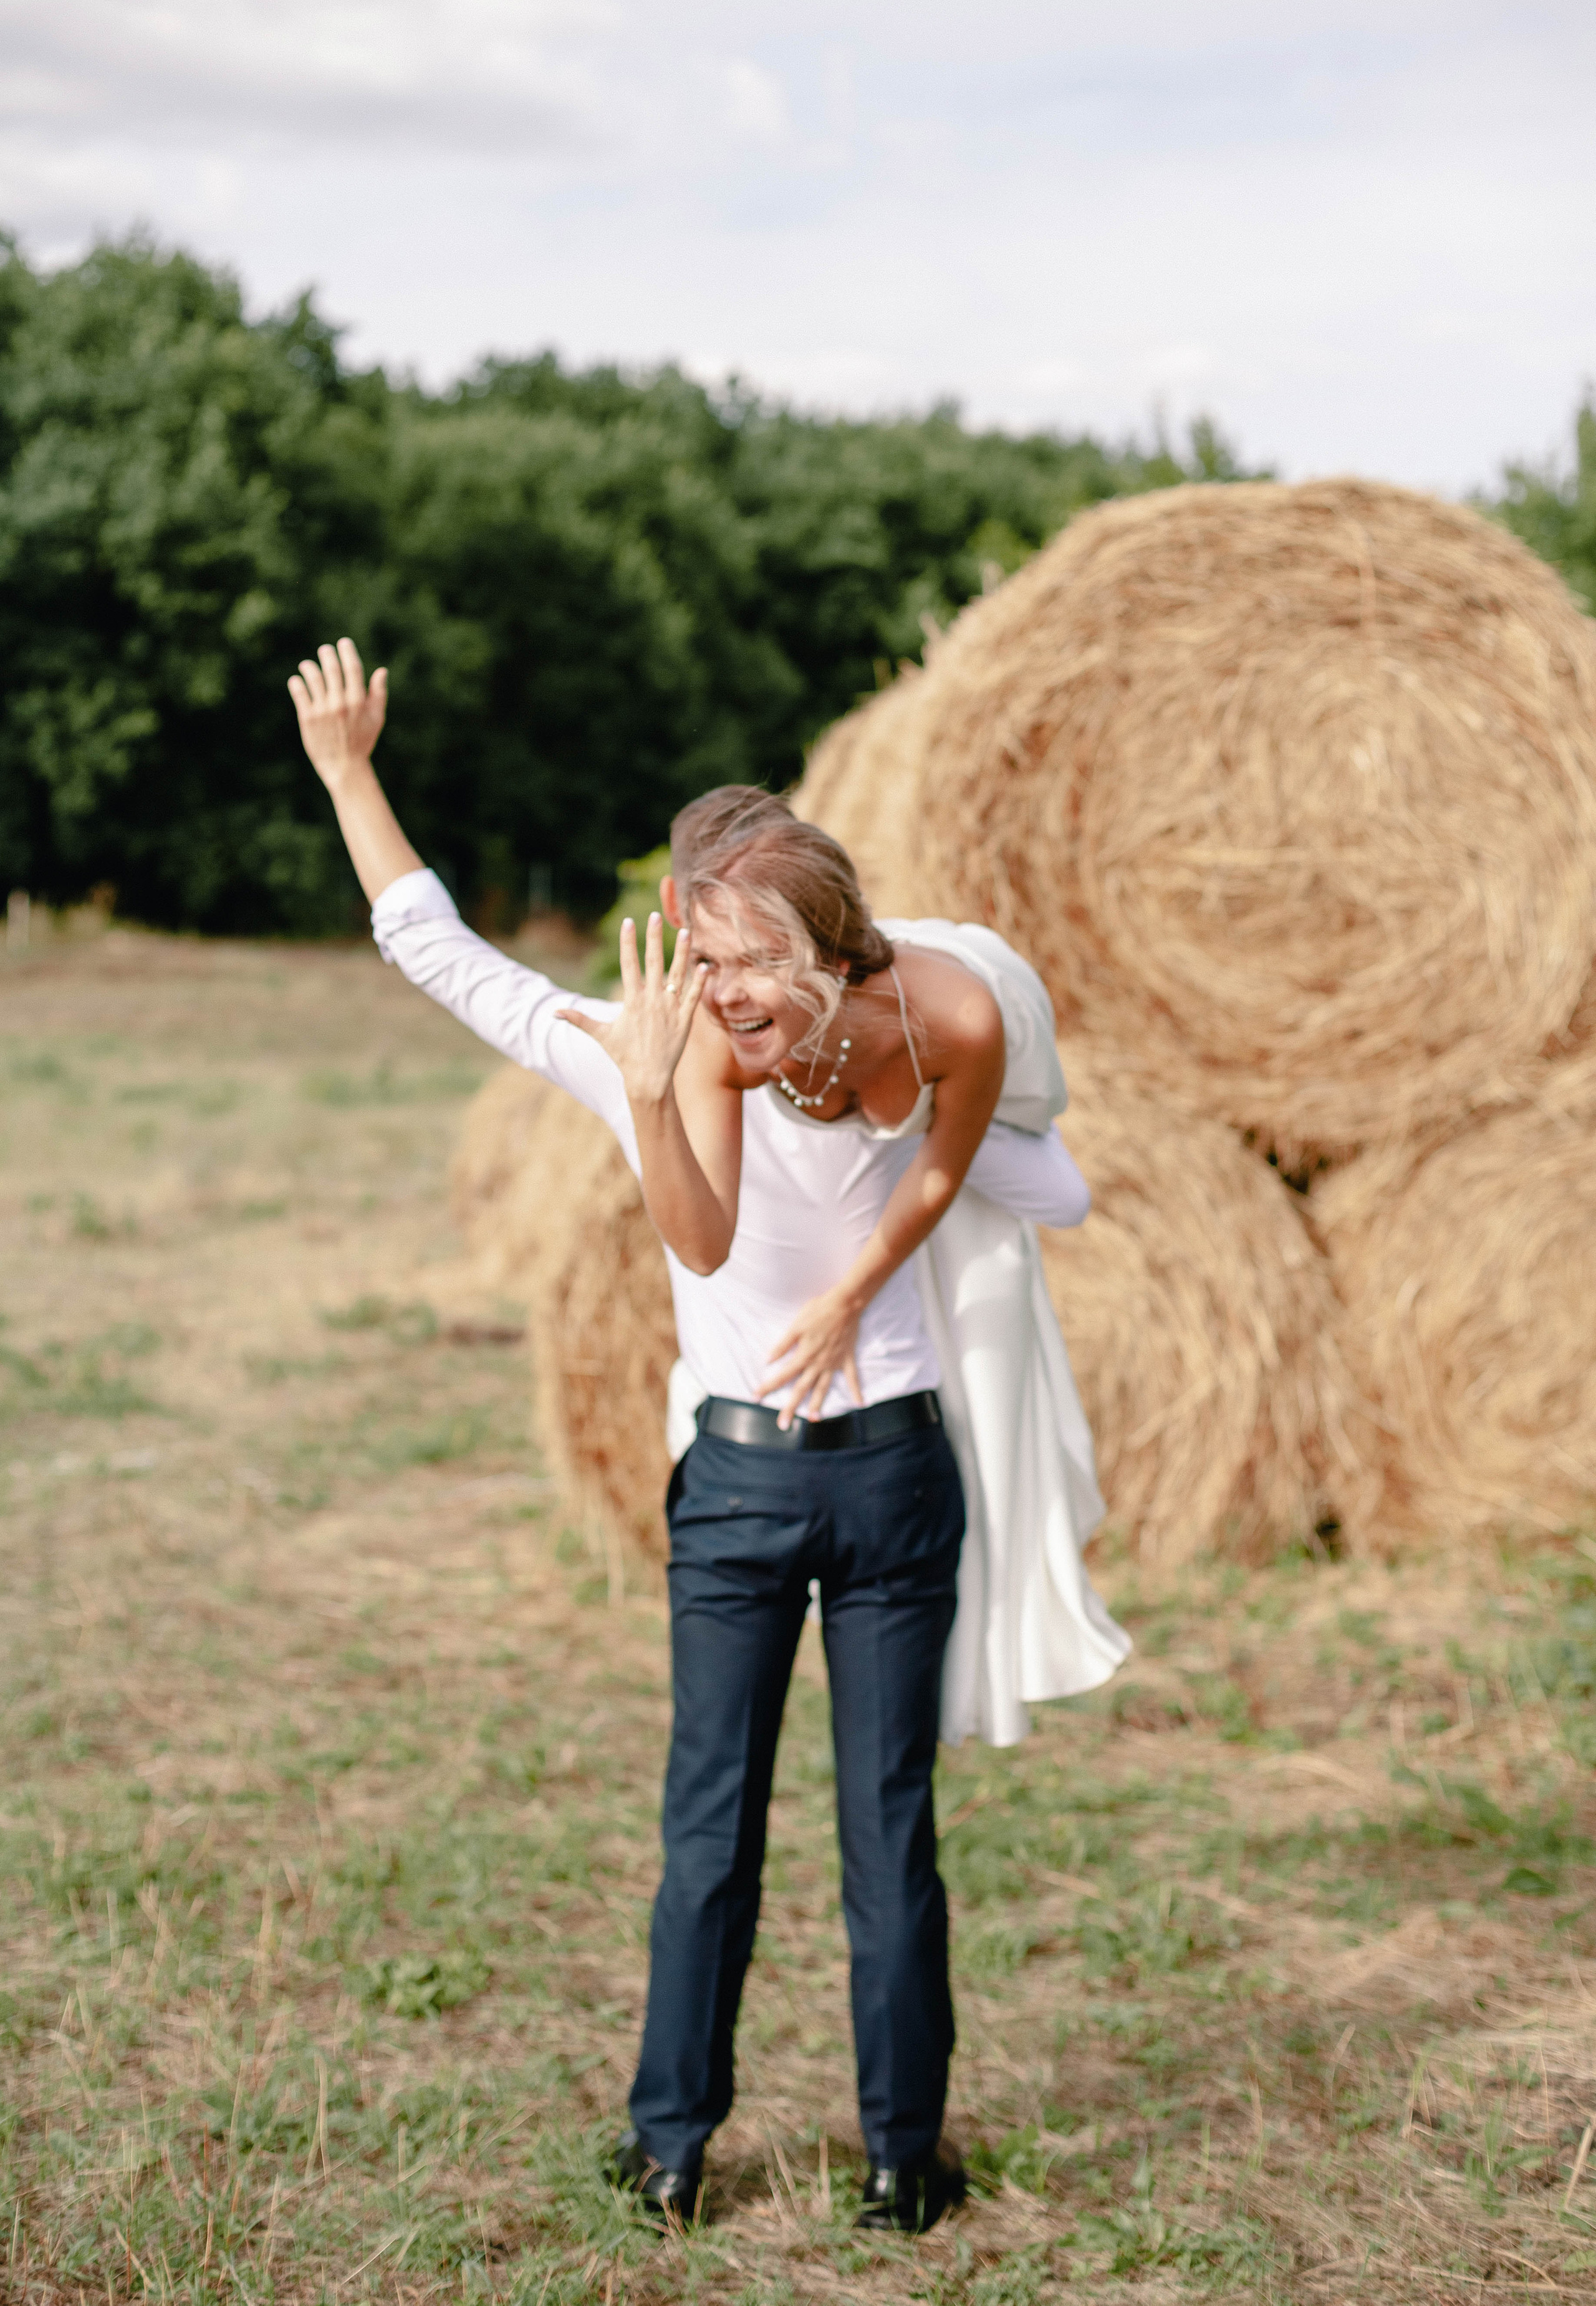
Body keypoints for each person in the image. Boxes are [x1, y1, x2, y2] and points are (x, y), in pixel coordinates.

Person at [288, 637, 1108, 2233]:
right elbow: (440, 950)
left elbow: (446, 958)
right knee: (749, 1829)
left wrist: (654, 1088)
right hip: (812, 1477)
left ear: (815, 939)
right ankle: (716, 2148)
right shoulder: (804, 1023)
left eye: (739, 957)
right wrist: (345, 771)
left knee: (827, 1830)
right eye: (695, 955)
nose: (714, 988)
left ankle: (866, 2152)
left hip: (828, 1481)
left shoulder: (884, 1023)